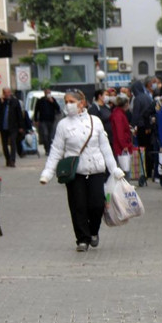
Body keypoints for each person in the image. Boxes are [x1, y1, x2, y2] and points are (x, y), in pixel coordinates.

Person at [39, 89, 124, 251]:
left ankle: (93, 231)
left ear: (82, 103)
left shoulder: (95, 121)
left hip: (96, 170)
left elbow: (105, 148)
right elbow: (56, 150)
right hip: (75, 172)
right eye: (66, 102)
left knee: (97, 205)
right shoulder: (63, 125)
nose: (68, 105)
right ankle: (82, 239)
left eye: (71, 101)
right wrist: (47, 172)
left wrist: (114, 169)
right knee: (78, 206)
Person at [0, 87, 24, 167]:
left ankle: (12, 160)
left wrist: (21, 126)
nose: (6, 94)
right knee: (4, 145)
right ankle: (7, 159)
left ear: (10, 93)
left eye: (8, 92)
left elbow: (19, 114)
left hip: (13, 126)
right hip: (3, 126)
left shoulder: (15, 101)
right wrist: (1, 102)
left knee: (13, 142)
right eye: (5, 93)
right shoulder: (0, 101)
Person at [110, 95, 135, 175]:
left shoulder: (118, 113)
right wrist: (124, 145)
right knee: (125, 169)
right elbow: (120, 132)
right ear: (126, 104)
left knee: (123, 168)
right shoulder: (119, 115)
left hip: (121, 144)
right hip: (122, 146)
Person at [33, 88, 61, 155]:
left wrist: (52, 102)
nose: (48, 94)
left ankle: (50, 149)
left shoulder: (53, 100)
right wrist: (36, 120)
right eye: (47, 93)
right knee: (45, 134)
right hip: (43, 120)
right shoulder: (40, 100)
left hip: (51, 120)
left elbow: (58, 108)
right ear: (44, 93)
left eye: (49, 93)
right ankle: (47, 149)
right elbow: (36, 110)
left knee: (51, 136)